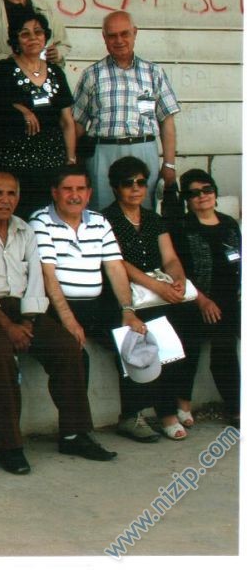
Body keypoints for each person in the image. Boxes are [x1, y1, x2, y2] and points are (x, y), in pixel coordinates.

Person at [0, 171, 116, 474]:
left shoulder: (24, 229)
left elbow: (35, 280)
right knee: (0, 357)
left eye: (11, 194)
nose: (5, 200)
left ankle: (74, 435)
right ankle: (11, 447)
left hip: (24, 309)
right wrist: (9, 327)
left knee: (68, 349)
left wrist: (28, 320)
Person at [28, 166, 154, 442]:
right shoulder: (40, 221)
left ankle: (131, 416)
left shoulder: (99, 221)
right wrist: (69, 320)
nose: (75, 195)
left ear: (89, 193)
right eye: (68, 189)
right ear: (55, 192)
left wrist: (128, 311)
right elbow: (48, 276)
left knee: (133, 335)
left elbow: (115, 268)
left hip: (94, 305)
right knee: (75, 354)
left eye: (81, 189)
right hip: (56, 308)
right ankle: (75, 434)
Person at [100, 156, 192, 440]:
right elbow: (118, 263)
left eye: (141, 182)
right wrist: (157, 286)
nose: (135, 188)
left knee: (187, 322)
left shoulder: (153, 219)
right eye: (128, 183)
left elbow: (170, 258)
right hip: (122, 296)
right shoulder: (105, 219)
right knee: (152, 332)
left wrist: (177, 280)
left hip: (156, 294)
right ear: (115, 188)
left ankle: (179, 401)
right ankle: (161, 414)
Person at [73, 11, 180, 210]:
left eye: (124, 34)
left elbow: (167, 121)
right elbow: (77, 123)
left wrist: (169, 164)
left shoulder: (154, 73)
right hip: (102, 153)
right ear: (104, 37)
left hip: (143, 150)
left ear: (135, 33)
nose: (119, 40)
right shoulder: (91, 74)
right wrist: (76, 164)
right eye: (112, 35)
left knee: (143, 213)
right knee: (102, 212)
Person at [0, 10, 76, 218]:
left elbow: (67, 121)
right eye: (25, 34)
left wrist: (70, 159)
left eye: (38, 32)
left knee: (49, 218)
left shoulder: (56, 71)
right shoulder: (3, 70)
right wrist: (21, 109)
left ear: (45, 36)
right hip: (16, 162)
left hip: (52, 161)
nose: (33, 38)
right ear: (15, 39)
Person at [170, 169, 241, 428]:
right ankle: (183, 403)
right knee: (191, 347)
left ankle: (237, 407)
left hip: (228, 300)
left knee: (225, 348)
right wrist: (201, 300)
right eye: (194, 193)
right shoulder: (182, 228)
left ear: (215, 192)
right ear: (187, 200)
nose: (202, 196)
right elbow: (178, 271)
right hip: (193, 299)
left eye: (207, 189)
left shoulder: (229, 224)